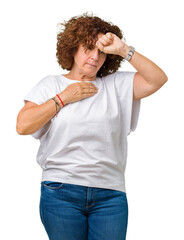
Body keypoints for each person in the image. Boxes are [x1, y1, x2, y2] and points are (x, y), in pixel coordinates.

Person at [16, 12, 168, 240]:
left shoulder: (116, 85)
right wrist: (62, 98)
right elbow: (22, 125)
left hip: (110, 194)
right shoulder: (52, 85)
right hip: (61, 190)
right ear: (73, 49)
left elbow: (158, 79)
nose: (95, 57)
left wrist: (124, 49)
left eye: (102, 52)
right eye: (88, 48)